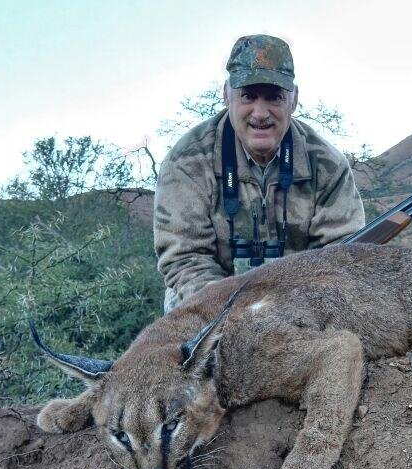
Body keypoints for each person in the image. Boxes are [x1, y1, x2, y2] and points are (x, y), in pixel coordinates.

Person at [154, 34, 366, 312]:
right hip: (214, 300)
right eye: (248, 96)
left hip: (300, 302)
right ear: (226, 94)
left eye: (274, 97)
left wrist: (290, 312)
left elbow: (341, 254)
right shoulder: (186, 161)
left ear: (294, 99)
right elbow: (185, 259)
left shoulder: (326, 164)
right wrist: (237, 315)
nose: (260, 113)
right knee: (178, 304)